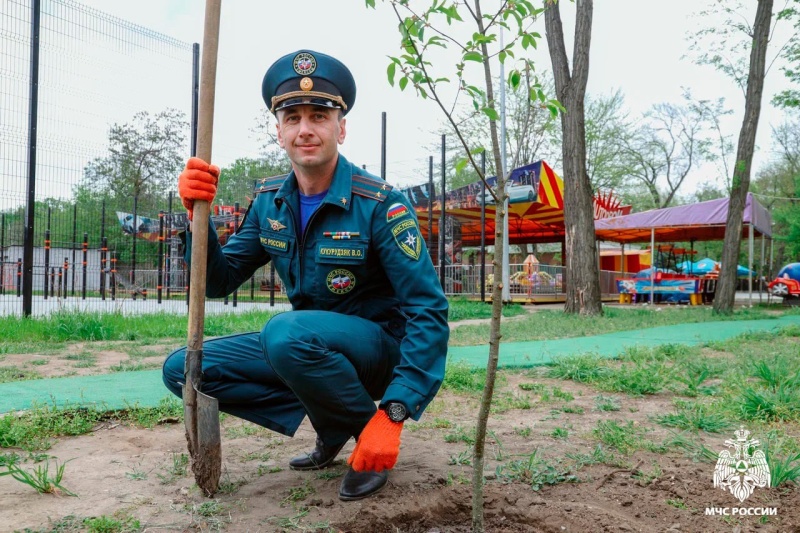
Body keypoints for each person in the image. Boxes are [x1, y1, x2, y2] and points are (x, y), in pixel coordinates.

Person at [162, 49, 449, 501]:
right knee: (184, 369)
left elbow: (428, 311)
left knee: (285, 333)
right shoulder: (268, 201)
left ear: (341, 127)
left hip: (378, 351)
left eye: (319, 115)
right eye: (292, 117)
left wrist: (393, 413)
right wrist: (199, 222)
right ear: (279, 131)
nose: (305, 129)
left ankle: (367, 438)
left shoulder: (380, 205)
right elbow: (220, 280)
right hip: (306, 349)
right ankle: (335, 423)